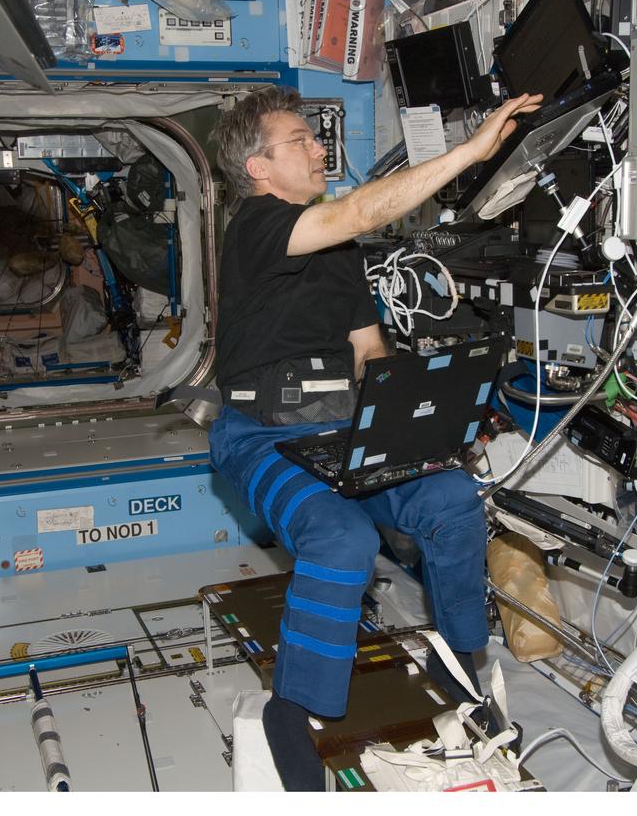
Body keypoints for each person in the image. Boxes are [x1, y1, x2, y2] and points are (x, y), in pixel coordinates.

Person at [208, 86, 541, 790]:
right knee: (343, 540)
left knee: (453, 498)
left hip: (349, 427)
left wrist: (411, 417)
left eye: (314, 138)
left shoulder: (338, 252)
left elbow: (369, 349)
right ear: (259, 169)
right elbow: (360, 208)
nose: (318, 148)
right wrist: (476, 149)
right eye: (299, 140)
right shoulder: (256, 227)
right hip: (259, 436)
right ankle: (291, 710)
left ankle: (463, 662)